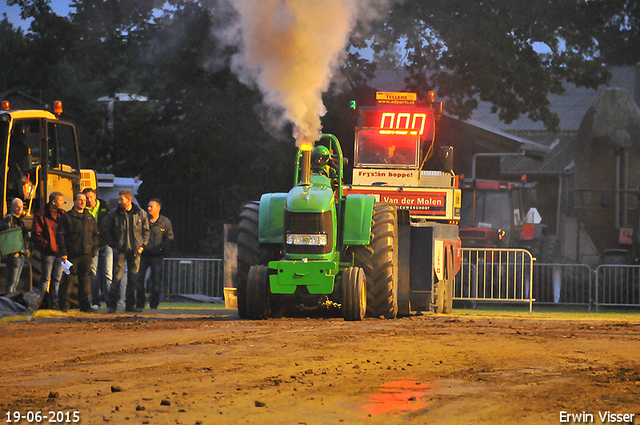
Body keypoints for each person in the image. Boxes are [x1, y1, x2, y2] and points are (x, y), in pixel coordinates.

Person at [103, 190, 149, 313]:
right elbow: (106, 230)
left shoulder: (140, 214)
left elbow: (146, 231)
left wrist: (142, 245)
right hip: (120, 250)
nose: (119, 202)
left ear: (128, 200)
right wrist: (114, 245)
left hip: (135, 251)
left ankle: (130, 306)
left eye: (121, 199)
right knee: (116, 278)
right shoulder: (113, 214)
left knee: (133, 279)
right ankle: (112, 306)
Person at [56, 193, 98, 312]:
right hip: (71, 255)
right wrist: (63, 252)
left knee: (85, 281)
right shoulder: (66, 218)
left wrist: (93, 251)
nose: (83, 202)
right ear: (74, 201)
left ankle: (85, 306)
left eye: (84, 200)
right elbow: (60, 236)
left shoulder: (90, 218)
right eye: (80, 200)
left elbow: (95, 235)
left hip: (86, 254)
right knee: (68, 281)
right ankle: (64, 306)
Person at [136, 199, 174, 310]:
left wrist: (161, 250)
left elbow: (169, 239)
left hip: (157, 256)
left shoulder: (165, 222)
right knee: (139, 280)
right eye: (148, 206)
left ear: (158, 208)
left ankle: (154, 305)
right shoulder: (143, 220)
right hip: (143, 255)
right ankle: (140, 303)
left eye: (151, 206)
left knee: (156, 282)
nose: (148, 209)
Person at [31, 192, 66, 308]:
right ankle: (42, 301)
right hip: (48, 252)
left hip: (59, 252)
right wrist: (47, 246)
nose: (63, 203)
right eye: (61, 200)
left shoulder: (62, 214)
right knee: (46, 277)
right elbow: (36, 234)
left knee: (57, 278)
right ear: (54, 202)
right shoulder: (41, 215)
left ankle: (53, 302)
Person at [83, 188, 112, 310]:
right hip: (92, 246)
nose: (89, 200)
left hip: (106, 244)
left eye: (90, 197)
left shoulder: (105, 208)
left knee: (107, 274)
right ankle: (96, 301)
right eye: (86, 198)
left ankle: (110, 302)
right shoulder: (83, 211)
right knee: (94, 275)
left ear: (95, 196)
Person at [1, 198, 30, 294]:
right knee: (12, 281)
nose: (20, 209)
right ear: (12, 207)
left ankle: (11, 300)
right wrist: (14, 252)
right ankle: (8, 301)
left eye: (21, 207)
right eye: (17, 206)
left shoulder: (20, 220)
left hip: (21, 254)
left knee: (16, 281)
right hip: (14, 255)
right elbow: (8, 236)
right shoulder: (9, 219)